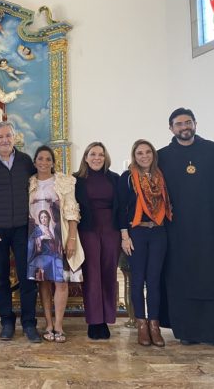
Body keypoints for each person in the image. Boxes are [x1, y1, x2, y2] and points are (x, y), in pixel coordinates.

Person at [158, 108, 214, 351]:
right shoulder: (161, 157)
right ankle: (188, 330)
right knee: (183, 278)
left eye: (188, 122)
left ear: (195, 123)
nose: (184, 127)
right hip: (178, 228)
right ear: (171, 128)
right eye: (178, 124)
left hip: (210, 226)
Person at [0, 121, 40, 342]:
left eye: (8, 136)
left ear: (15, 137)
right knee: (0, 279)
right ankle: (7, 322)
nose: (4, 140)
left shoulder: (25, 162)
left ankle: (29, 323)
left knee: (27, 278)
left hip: (23, 229)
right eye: (0, 137)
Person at [118, 139, 172, 347]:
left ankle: (154, 325)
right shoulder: (128, 178)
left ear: (153, 154)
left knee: (154, 279)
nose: (144, 156)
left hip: (158, 231)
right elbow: (121, 208)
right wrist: (124, 236)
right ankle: (141, 324)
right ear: (134, 155)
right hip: (136, 233)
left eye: (147, 152)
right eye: (139, 153)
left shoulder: (160, 176)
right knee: (138, 279)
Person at [27, 145, 83, 343]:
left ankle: (59, 324)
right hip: (37, 239)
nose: (44, 162)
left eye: (48, 159)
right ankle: (48, 323)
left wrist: (72, 239)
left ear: (53, 162)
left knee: (61, 281)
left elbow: (72, 211)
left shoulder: (64, 182)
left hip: (60, 237)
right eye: (40, 159)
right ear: (34, 162)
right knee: (43, 282)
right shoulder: (30, 183)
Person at [74, 142, 120, 340]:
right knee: (92, 274)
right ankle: (95, 321)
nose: (97, 158)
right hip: (88, 230)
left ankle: (108, 318)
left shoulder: (115, 179)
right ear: (85, 157)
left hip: (111, 229)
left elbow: (122, 206)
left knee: (109, 273)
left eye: (101, 154)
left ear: (105, 157)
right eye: (92, 154)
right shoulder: (76, 180)